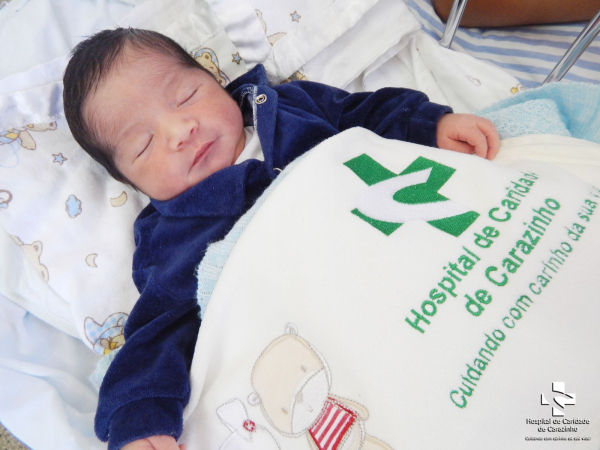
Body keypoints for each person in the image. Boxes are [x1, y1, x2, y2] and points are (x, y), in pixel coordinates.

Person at [63, 28, 499, 450]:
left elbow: (363, 114)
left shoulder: (286, 106)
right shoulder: (171, 237)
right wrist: (139, 418)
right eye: (144, 144)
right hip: (338, 330)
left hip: (412, 252)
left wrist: (427, 124)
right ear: (132, 181)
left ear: (214, 80)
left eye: (186, 96)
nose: (180, 130)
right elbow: (158, 333)